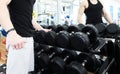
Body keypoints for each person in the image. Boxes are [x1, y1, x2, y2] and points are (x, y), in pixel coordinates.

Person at [0, 0, 50, 74]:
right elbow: (1, 4)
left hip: (28, 38)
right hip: (18, 39)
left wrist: (40, 28)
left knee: (26, 71)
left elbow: (28, 15)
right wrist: (11, 32)